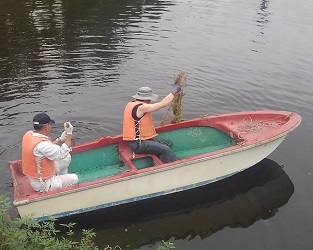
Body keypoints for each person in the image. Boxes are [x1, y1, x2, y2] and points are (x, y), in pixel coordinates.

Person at [22, 113, 79, 192]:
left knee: (67, 157)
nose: (50, 127)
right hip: (43, 184)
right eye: (50, 125)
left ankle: (62, 180)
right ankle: (61, 189)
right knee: (74, 178)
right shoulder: (42, 144)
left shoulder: (29, 135)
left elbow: (45, 149)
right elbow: (62, 153)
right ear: (46, 126)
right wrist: (69, 134)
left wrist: (60, 139)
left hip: (38, 176)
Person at [123, 85, 180, 163]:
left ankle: (162, 161)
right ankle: (175, 165)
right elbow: (163, 104)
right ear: (147, 99)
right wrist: (173, 92)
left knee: (168, 143)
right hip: (138, 144)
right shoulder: (141, 108)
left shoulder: (131, 104)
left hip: (141, 140)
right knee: (165, 149)